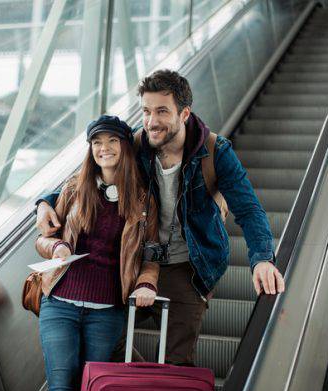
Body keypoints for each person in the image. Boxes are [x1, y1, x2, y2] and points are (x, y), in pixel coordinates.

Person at [36, 69, 286, 367]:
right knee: (104, 343)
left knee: (176, 362)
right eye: (146, 111)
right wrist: (45, 202)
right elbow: (88, 176)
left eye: (162, 111)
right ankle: (142, 386)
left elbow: (248, 209)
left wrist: (261, 258)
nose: (152, 121)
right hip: (135, 262)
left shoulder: (215, 152)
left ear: (184, 113)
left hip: (188, 268)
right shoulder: (137, 145)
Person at [35, 115, 160, 391]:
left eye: (112, 141)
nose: (104, 148)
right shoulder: (73, 189)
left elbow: (151, 253)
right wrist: (56, 248)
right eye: (97, 142)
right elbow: (43, 238)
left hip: (106, 311)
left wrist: (147, 283)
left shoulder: (142, 200)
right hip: (59, 304)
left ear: (126, 146)